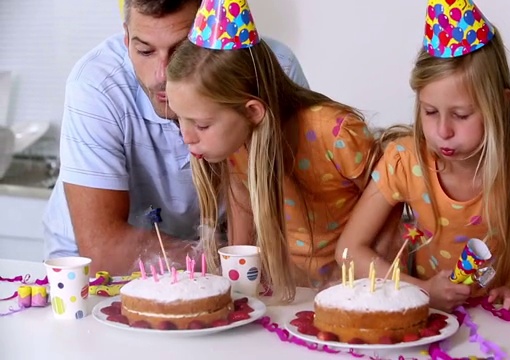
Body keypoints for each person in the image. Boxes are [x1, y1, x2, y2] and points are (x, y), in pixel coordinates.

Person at [42, 0, 309, 274]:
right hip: (94, 271)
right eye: (144, 50)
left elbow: (294, 217)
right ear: (127, 38)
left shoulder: (276, 71)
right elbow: (104, 250)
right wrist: (229, 265)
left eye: (182, 51)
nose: (162, 75)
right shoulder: (96, 85)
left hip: (217, 254)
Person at [336, 0, 510, 315]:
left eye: (461, 114)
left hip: (509, 316)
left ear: (501, 104)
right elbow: (348, 250)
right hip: (438, 316)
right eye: (430, 112)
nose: (443, 130)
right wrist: (422, 290)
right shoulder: (403, 160)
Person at [166, 0, 384, 302]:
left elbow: (390, 205)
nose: (186, 137)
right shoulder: (234, 141)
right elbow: (242, 205)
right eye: (179, 119)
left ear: (253, 112)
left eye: (201, 125)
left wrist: (370, 282)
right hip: (288, 296)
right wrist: (235, 288)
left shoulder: (336, 134)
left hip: (355, 290)